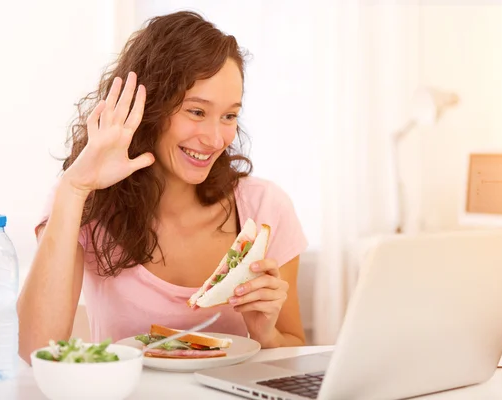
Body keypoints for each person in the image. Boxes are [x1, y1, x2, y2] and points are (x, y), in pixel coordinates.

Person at [17, 11, 308, 363]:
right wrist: (74, 187)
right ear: (149, 107)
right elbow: (34, 349)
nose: (216, 139)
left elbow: (295, 353)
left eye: (229, 116)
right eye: (196, 112)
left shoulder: (264, 207)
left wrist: (266, 333)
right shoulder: (83, 203)